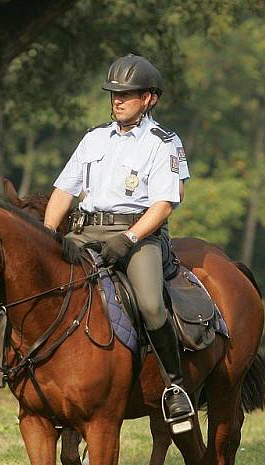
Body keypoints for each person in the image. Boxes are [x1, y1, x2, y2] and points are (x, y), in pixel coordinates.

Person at [44, 54, 194, 433]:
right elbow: (64, 190)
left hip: (138, 235)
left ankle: (175, 386)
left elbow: (164, 204)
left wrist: (127, 239)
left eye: (127, 94)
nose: (118, 100)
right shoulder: (93, 138)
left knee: (149, 304)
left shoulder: (164, 143)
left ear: (150, 98)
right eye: (114, 93)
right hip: (84, 230)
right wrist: (48, 234)